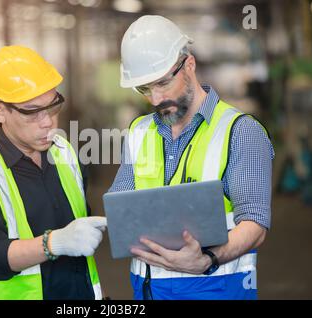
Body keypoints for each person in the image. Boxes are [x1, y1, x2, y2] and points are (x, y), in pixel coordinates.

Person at [109, 15, 275, 300]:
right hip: (148, 292)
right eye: (145, 89)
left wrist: (208, 259)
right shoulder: (139, 131)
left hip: (215, 290)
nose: (155, 99)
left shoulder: (241, 132)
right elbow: (121, 206)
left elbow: (255, 224)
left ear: (189, 65)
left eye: (161, 83)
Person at [0, 45, 106, 300]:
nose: (47, 122)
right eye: (32, 112)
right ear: (0, 111)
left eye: (53, 107)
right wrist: (54, 243)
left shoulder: (64, 152)